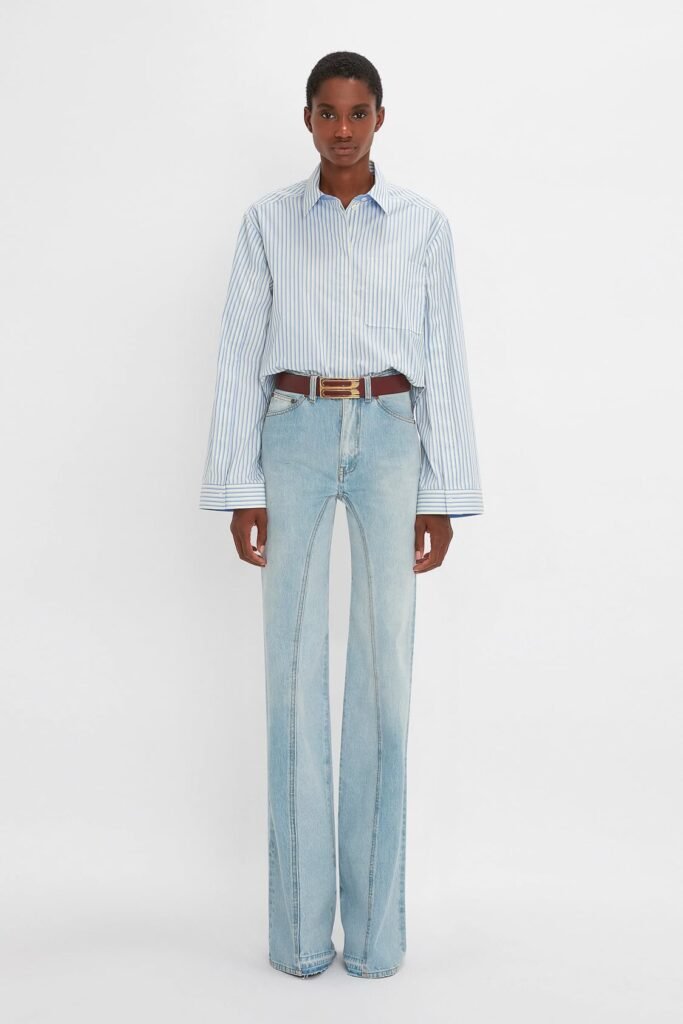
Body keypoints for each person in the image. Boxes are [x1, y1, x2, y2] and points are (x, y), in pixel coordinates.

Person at [199, 51, 483, 979]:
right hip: (292, 430)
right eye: (328, 112)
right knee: (290, 677)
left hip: (393, 435)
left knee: (383, 680)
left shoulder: (422, 225)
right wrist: (239, 486)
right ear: (308, 119)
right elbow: (238, 352)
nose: (344, 128)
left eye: (358, 112)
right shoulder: (268, 222)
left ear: (380, 118)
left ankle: (374, 941)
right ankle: (294, 938)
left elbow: (445, 354)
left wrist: (442, 494)